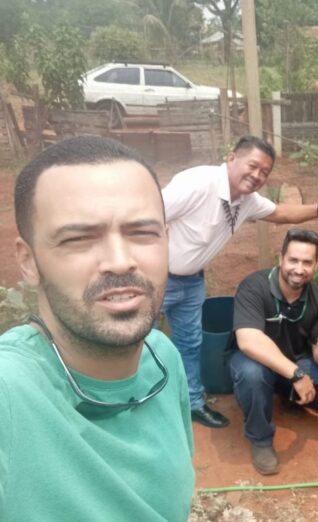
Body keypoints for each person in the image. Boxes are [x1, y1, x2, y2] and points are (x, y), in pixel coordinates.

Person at [2, 136, 194, 520]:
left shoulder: (163, 357)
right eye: (78, 239)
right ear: (28, 261)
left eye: (142, 233)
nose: (121, 262)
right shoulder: (11, 391)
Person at [162, 135, 318, 429]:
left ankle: (193, 403)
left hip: (192, 280)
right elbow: (148, 215)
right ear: (232, 157)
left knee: (190, 343)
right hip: (154, 280)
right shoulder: (198, 183)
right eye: (253, 166)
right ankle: (136, 411)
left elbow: (282, 213)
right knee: (133, 343)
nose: (258, 175)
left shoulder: (246, 201)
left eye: (265, 172)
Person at [230, 229, 318, 475]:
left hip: (296, 362)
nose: (299, 269)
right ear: (281, 259)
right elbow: (247, 341)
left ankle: (288, 396)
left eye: (307, 262)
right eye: (293, 260)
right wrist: (297, 375)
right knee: (252, 374)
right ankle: (261, 439)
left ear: (316, 265)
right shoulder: (254, 287)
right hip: (255, 361)